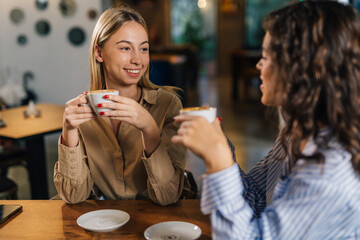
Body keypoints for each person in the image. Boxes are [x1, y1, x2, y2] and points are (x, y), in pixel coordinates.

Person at [172, 0, 360, 238]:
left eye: (267, 56)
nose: (259, 64)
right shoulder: (296, 133)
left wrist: (219, 163)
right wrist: (219, 149)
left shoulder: (331, 173)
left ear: (303, 68)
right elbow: (257, 197)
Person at [54, 6, 186, 205]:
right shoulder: (81, 112)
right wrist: (69, 132)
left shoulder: (168, 104)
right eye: (125, 48)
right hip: (101, 226)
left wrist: (149, 128)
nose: (137, 60)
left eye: (143, 48)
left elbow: (168, 197)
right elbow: (74, 197)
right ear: (99, 52)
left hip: (153, 224)